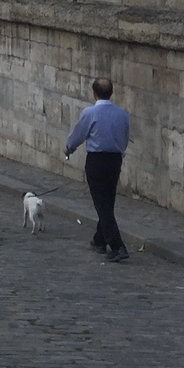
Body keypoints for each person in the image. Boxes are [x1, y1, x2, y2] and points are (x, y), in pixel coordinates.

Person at [64, 77, 131, 262]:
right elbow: (125, 137)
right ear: (112, 92)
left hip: (97, 159)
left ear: (94, 93)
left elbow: (78, 134)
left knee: (102, 204)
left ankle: (118, 246)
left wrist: (69, 147)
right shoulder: (122, 114)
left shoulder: (90, 113)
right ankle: (99, 240)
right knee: (108, 201)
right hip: (115, 159)